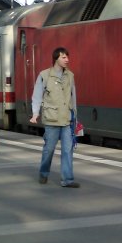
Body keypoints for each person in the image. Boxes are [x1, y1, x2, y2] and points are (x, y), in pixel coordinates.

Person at [30, 47, 80, 188]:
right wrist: (35, 113)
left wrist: (75, 116)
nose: (67, 60)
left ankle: (67, 180)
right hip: (51, 119)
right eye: (64, 57)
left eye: (67, 57)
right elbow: (37, 96)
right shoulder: (44, 75)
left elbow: (73, 96)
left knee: (67, 150)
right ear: (56, 59)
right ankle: (44, 173)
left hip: (67, 119)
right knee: (49, 149)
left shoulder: (70, 75)